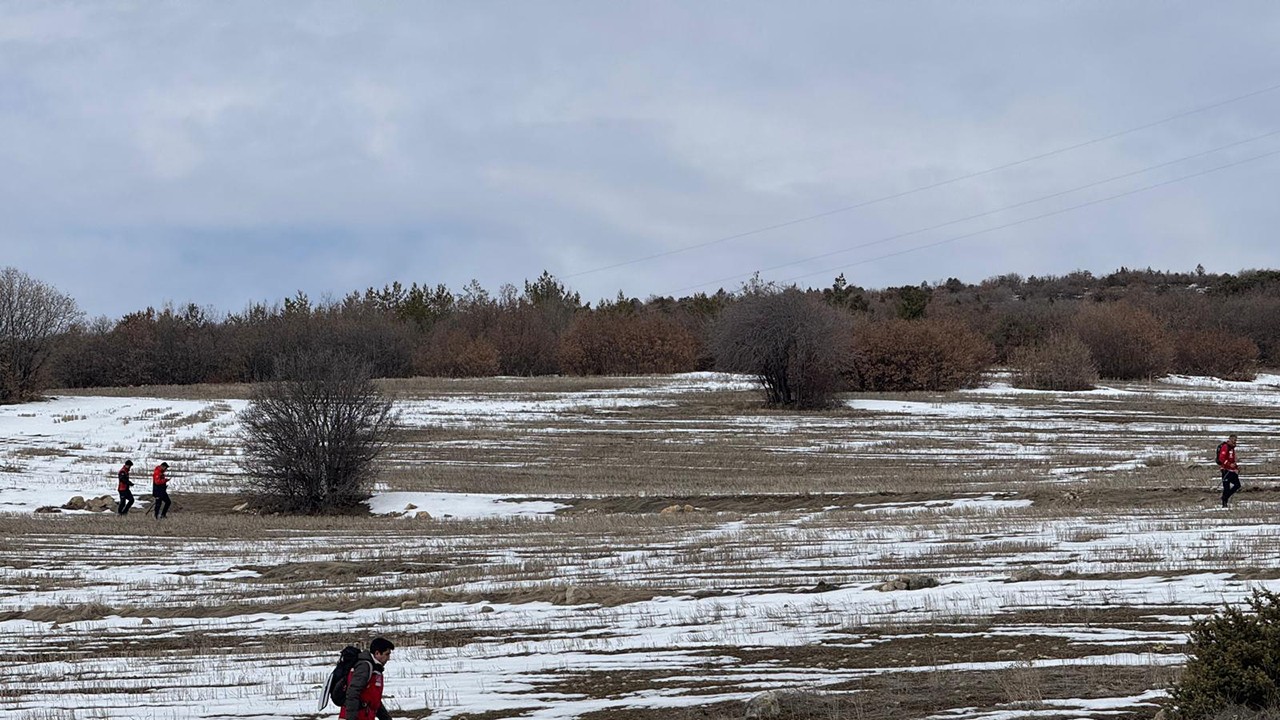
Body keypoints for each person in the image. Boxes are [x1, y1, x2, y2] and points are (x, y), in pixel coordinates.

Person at [341, 637, 395, 720]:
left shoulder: (376, 669)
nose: (388, 658)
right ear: (377, 653)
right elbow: (352, 692)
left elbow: (373, 700)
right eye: (387, 654)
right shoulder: (364, 667)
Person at [1218, 434, 1240, 508]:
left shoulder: (1232, 448)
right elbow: (1221, 458)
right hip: (1225, 470)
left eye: (1236, 440)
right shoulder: (1225, 447)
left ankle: (1225, 498)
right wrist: (1229, 464)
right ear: (1230, 439)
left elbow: (1232, 460)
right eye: (1234, 440)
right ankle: (1224, 503)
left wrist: (1236, 467)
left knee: (1237, 485)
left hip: (1231, 470)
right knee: (1226, 488)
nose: (1235, 441)